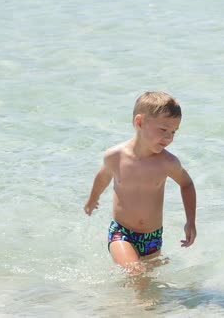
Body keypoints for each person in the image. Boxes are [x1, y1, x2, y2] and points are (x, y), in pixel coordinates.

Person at [84, 91, 196, 273]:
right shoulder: (115, 156)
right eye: (163, 130)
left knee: (147, 283)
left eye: (173, 132)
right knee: (136, 271)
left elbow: (187, 184)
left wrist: (190, 221)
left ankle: (125, 301)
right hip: (122, 233)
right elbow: (103, 176)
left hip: (152, 237)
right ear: (140, 122)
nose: (169, 138)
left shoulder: (167, 163)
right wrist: (92, 199)